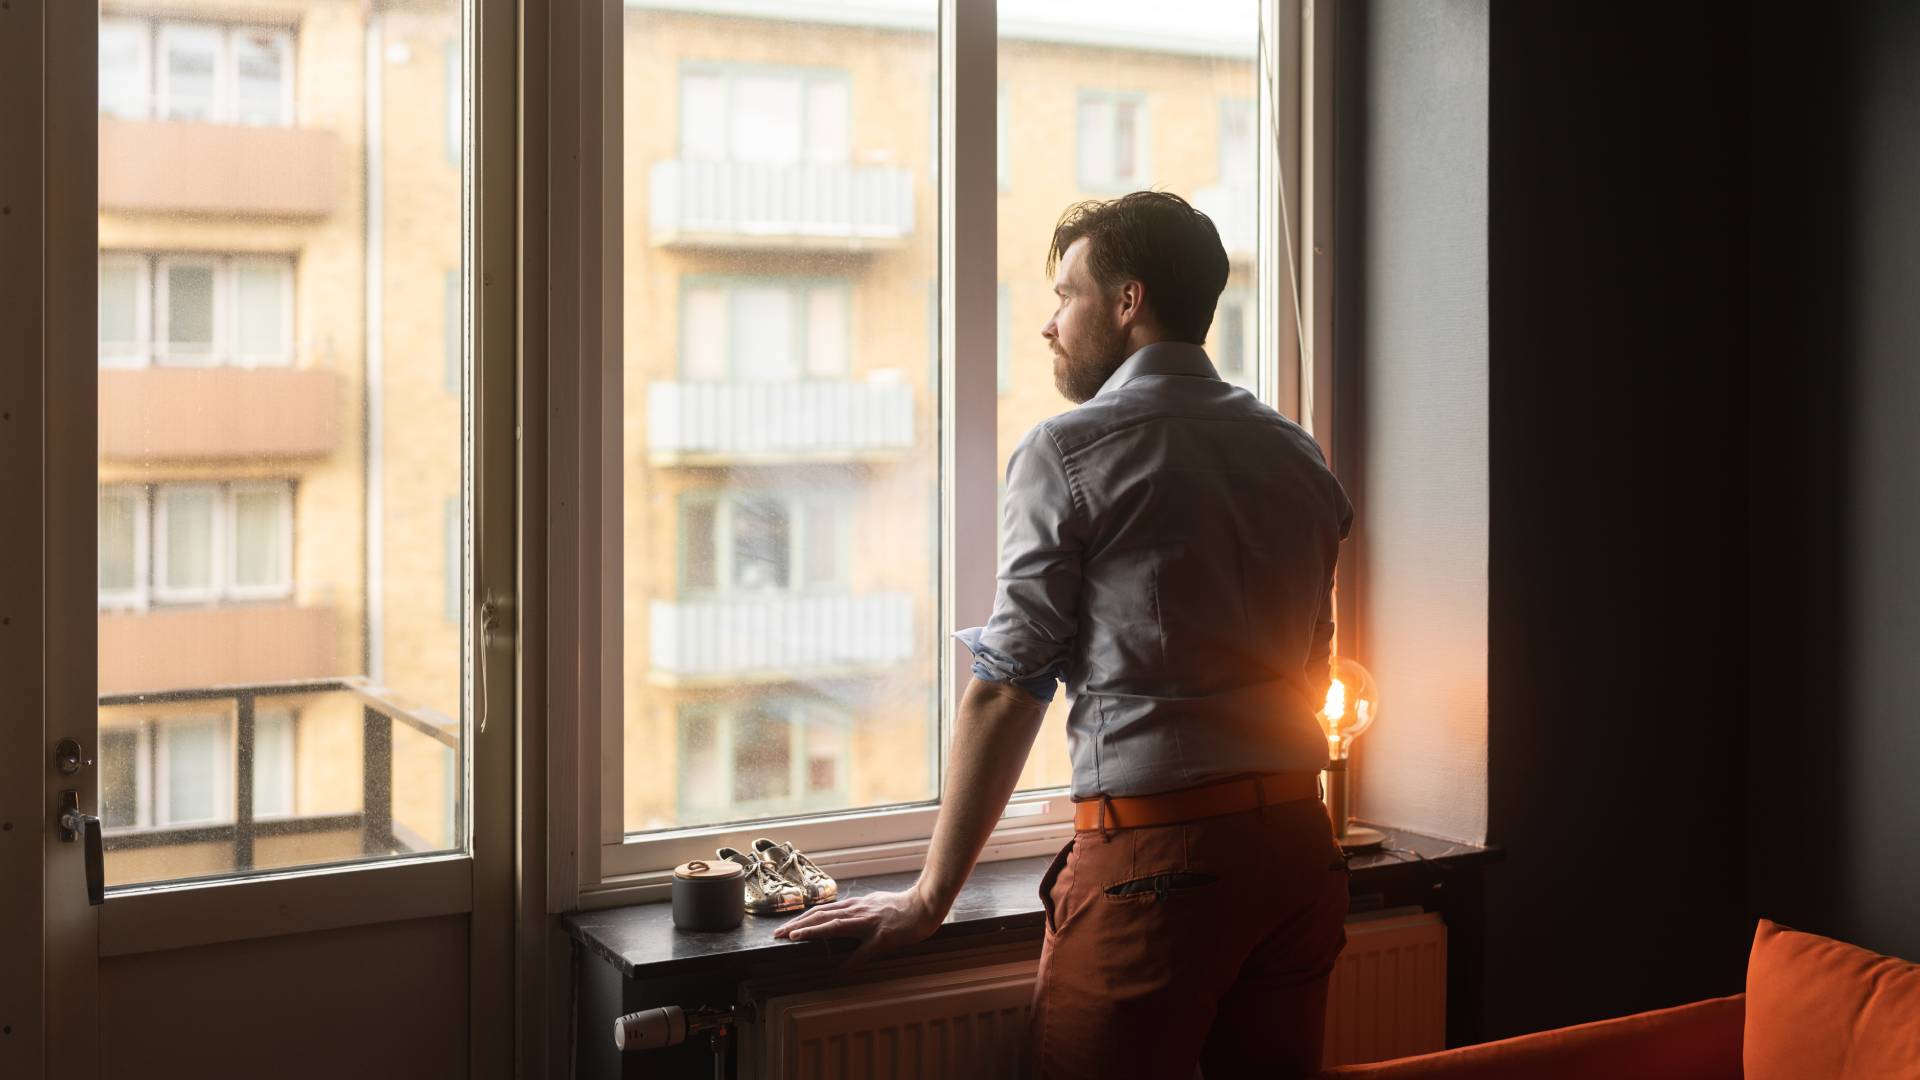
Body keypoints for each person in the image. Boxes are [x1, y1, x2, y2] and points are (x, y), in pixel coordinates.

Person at [774, 191, 1354, 1079]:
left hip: (1161, 863)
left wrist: (929, 899)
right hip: (1295, 858)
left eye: (1065, 295)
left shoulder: (1072, 449)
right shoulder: (1294, 451)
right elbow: (1313, 663)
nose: (1050, 326)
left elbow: (1010, 684)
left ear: (1129, 301)